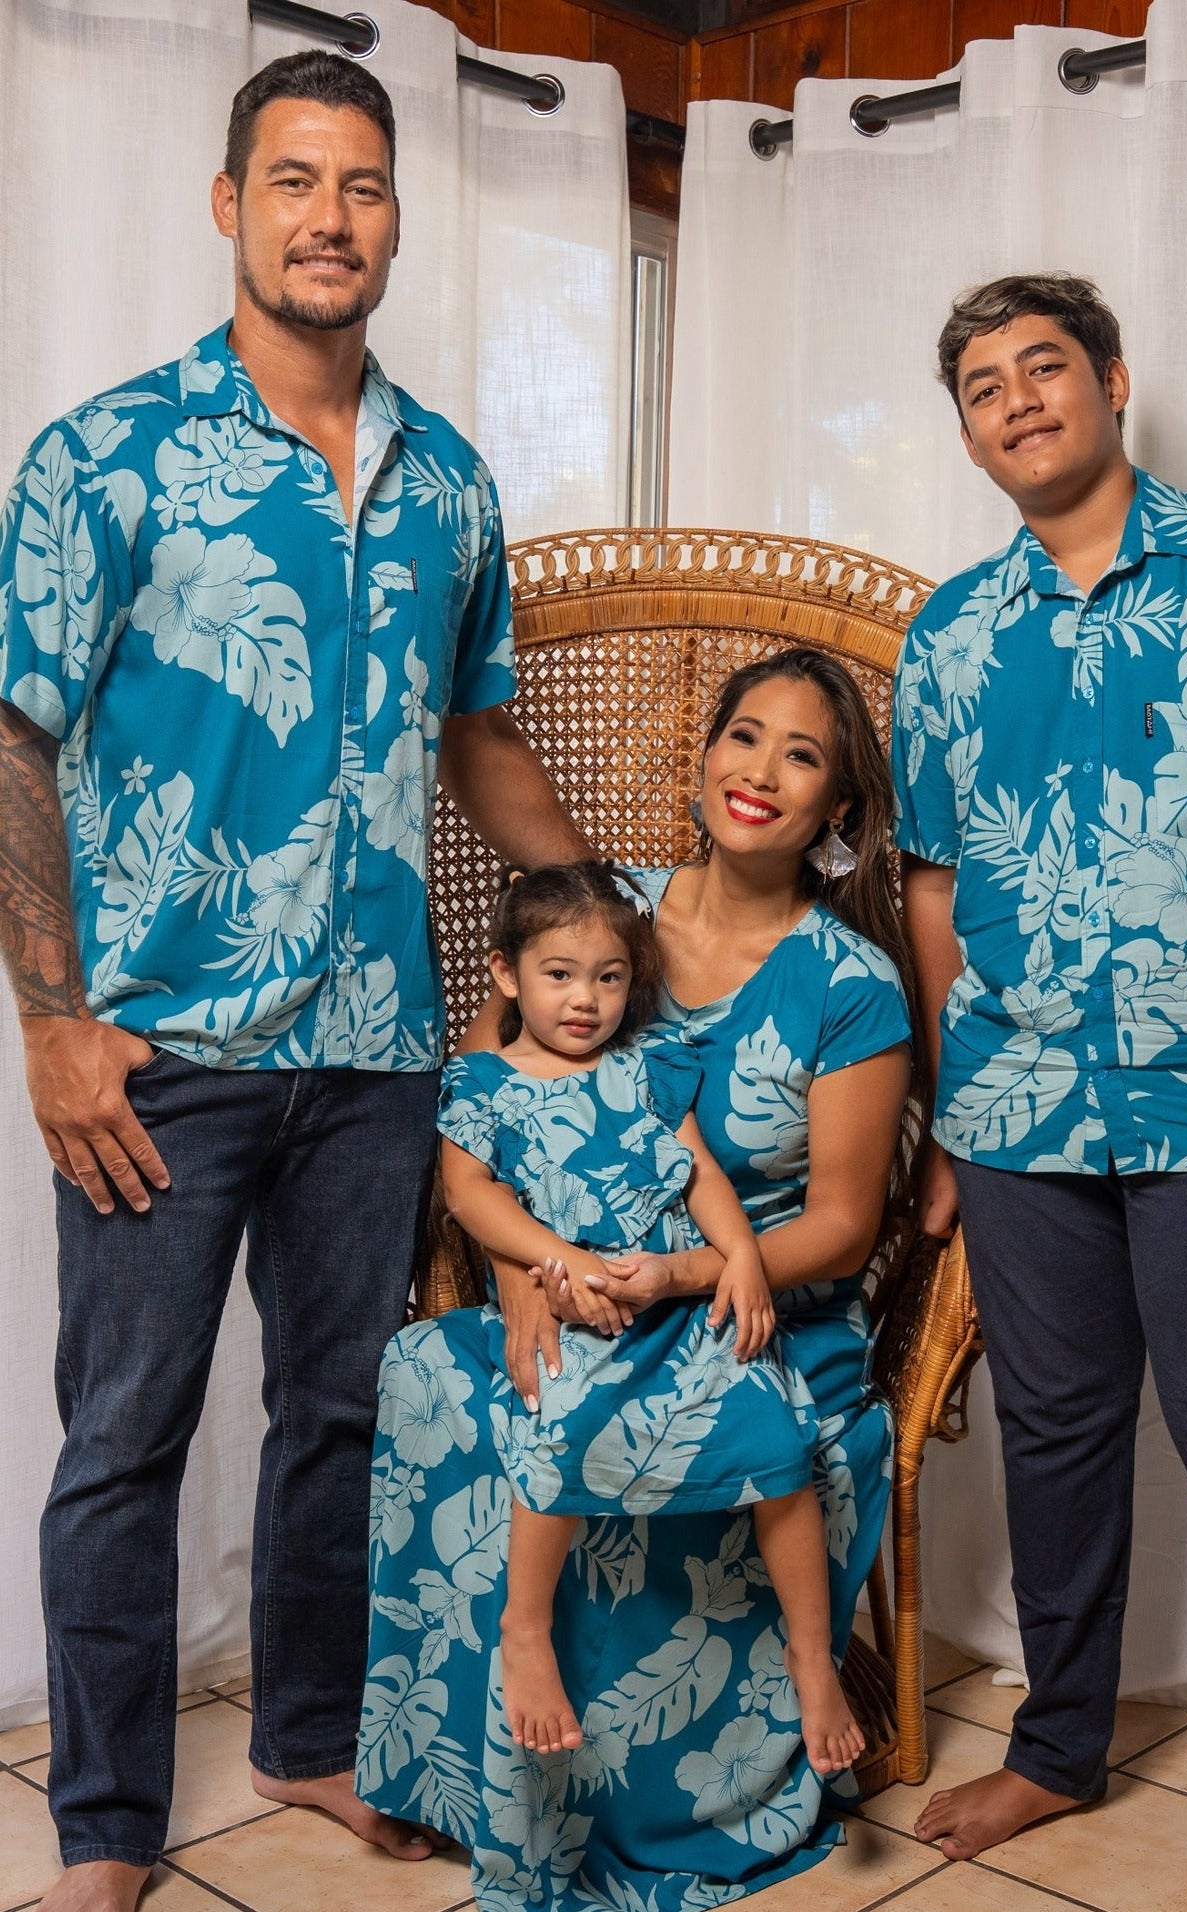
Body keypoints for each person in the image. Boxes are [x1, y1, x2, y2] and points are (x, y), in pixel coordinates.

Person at [0, 51, 588, 1912]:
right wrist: (51, 1015)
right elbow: (14, 741)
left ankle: (307, 1735)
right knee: (127, 1436)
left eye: (364, 187)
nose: (330, 219)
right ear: (229, 205)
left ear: (396, 216)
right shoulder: (101, 454)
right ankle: (103, 1825)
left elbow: (478, 734)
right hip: (158, 1038)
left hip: (380, 1048)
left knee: (337, 1408)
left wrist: (607, 907)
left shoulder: (453, 483)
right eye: (295, 182)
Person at [892, 272, 1187, 1912]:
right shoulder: (949, 636)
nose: (1015, 398)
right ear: (964, 431)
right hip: (1017, 1113)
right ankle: (1056, 1741)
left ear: (1109, 381)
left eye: (1042, 367)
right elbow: (935, 886)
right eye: (979, 385)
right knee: (1060, 1435)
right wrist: (955, 1114)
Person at [361, 648, 915, 1910]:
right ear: (704, 756)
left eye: (803, 754)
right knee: (431, 1376)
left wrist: (680, 1271)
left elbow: (840, 1221)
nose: (760, 771)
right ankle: (476, 1772)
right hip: (571, 1283)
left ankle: (667, 1796)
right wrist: (522, 1280)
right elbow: (489, 1116)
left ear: (836, 810)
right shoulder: (605, 922)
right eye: (744, 735)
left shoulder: (851, 984)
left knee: (682, 1425)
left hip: (752, 1303)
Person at [437, 858, 864, 1774]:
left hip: (674, 1303)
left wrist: (742, 1260)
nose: (585, 1000)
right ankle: (525, 1629)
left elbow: (699, 1173)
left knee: (778, 1440)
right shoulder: (482, 1082)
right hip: (571, 1305)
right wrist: (562, 1259)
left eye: (609, 977)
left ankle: (811, 1653)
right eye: (559, 975)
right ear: (508, 974)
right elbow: (470, 1195)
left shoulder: (646, 1068)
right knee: (556, 1420)